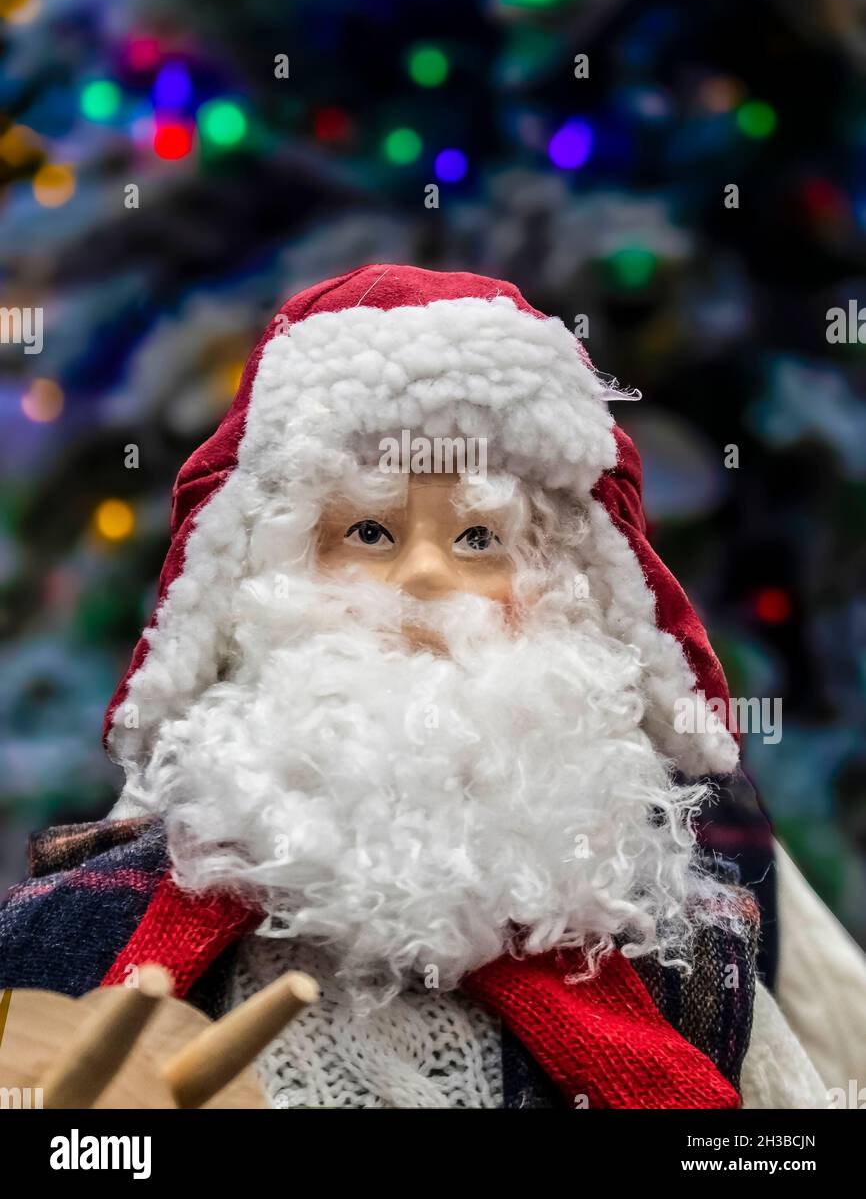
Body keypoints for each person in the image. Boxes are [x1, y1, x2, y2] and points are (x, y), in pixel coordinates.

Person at [0, 264, 857, 1108]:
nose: (421, 575)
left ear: (568, 593)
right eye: (368, 531)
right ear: (261, 580)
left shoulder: (679, 966)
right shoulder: (72, 941)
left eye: (480, 539)